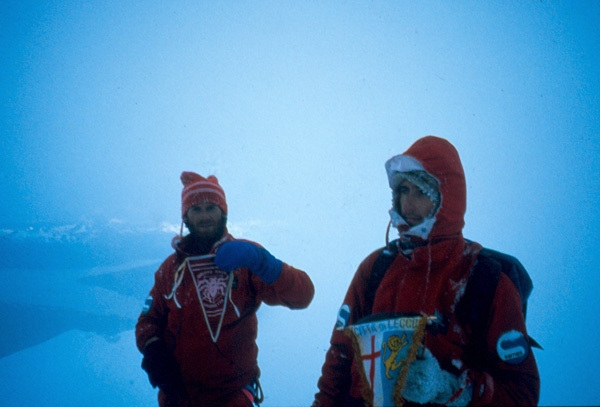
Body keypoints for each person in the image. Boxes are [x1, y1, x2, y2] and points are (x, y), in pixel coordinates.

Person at [313, 136, 540, 406]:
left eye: (421, 192)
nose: (408, 204)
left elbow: (521, 393)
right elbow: (340, 356)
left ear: (448, 199)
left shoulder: (485, 280)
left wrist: (449, 388)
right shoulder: (375, 268)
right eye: (403, 191)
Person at [136, 171, 315, 407]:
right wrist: (153, 349)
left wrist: (262, 262)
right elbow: (148, 320)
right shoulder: (170, 269)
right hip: (178, 395)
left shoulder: (245, 257)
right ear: (185, 217)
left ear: (224, 212)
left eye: (211, 207)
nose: (204, 216)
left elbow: (303, 296)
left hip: (233, 396)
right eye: (196, 209)